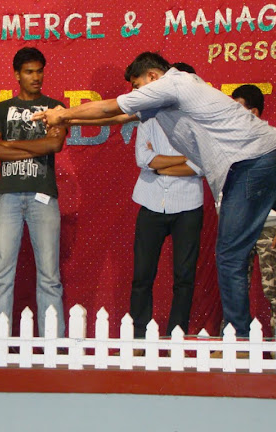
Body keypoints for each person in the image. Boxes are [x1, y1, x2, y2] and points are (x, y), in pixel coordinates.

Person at [33, 51, 276, 337]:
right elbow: (118, 118)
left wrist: (63, 113)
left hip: (250, 163)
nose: (136, 94)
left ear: (153, 77)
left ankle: (239, 340)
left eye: (137, 87)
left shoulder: (173, 84)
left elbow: (111, 106)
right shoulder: (169, 96)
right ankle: (240, 336)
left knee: (230, 255)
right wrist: (67, 119)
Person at [68, 63, 203, 338]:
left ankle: (176, 336)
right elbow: (144, 159)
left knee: (184, 278)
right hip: (151, 201)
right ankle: (140, 336)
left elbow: (201, 165)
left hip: (189, 204)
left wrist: (162, 165)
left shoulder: (200, 119)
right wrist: (182, 159)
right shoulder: (148, 115)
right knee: (142, 276)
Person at [0, 47, 67, 338]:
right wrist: (35, 147)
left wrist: (9, 145)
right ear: (17, 75)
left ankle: (53, 346)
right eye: (29, 72)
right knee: (2, 274)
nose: (36, 77)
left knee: (50, 276)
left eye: (39, 71)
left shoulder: (55, 108)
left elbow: (54, 145)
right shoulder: (1, 109)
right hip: (8, 196)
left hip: (43, 196)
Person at [230, 84, 276, 336]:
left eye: (237, 109)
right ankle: (235, 345)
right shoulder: (228, 142)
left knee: (275, 289)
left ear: (254, 112)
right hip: (237, 227)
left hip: (270, 224)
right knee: (234, 289)